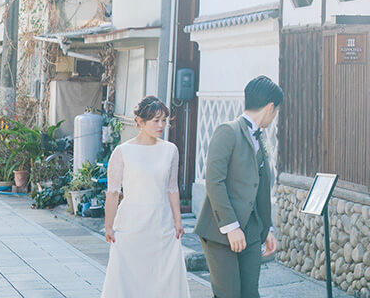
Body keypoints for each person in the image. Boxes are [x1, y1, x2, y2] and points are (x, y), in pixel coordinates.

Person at [195, 76, 282, 298]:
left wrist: (267, 229)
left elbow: (262, 187)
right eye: (276, 112)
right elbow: (214, 181)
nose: (274, 118)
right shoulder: (227, 131)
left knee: (250, 293)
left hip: (252, 231)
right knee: (229, 294)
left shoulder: (261, 138)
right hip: (219, 230)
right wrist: (231, 227)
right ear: (270, 107)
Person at [101, 95, 190, 298]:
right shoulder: (122, 151)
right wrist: (109, 225)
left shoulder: (170, 150)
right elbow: (113, 192)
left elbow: (172, 188)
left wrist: (178, 221)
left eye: (164, 120)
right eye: (156, 120)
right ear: (140, 122)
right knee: (130, 277)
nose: (161, 125)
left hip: (161, 222)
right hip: (131, 222)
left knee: (161, 276)